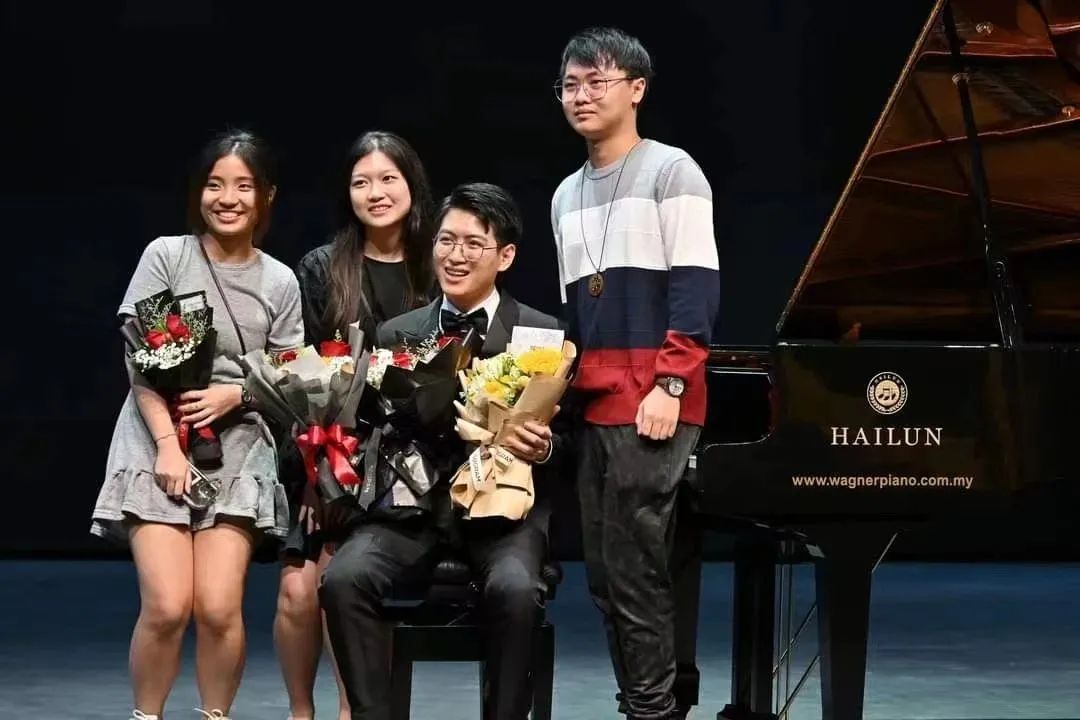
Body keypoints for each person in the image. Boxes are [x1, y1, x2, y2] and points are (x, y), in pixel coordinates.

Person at [320, 182, 563, 720]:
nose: (456, 255)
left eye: (473, 244)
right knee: (343, 579)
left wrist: (545, 447)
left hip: (503, 517)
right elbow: (370, 426)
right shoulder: (398, 333)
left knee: (516, 590)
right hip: (413, 513)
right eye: (446, 240)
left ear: (505, 256)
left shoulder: (542, 334)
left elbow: (568, 441)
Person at [90, 129, 305, 720]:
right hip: (155, 437)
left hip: (238, 450)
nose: (227, 198)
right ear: (198, 192)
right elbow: (139, 358)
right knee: (167, 606)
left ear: (266, 196)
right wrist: (166, 445)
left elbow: (290, 375)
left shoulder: (280, 281)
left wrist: (237, 394)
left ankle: (215, 716)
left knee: (217, 608)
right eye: (215, 185)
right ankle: (146, 715)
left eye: (244, 186)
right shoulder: (168, 255)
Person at [550, 27, 721, 720]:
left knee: (636, 572)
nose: (581, 96)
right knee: (604, 577)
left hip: (654, 399)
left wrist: (671, 384)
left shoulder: (672, 170)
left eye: (597, 81)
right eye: (570, 85)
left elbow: (696, 287)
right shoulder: (565, 195)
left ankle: (651, 710)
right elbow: (577, 314)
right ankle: (651, 705)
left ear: (637, 89)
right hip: (593, 404)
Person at [275, 130, 436, 720]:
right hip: (331, 452)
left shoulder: (438, 265)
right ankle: (301, 712)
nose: (376, 192)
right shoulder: (322, 267)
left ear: (412, 185)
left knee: (344, 581)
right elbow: (302, 372)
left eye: (388, 178)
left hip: (411, 462)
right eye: (361, 182)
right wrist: (318, 473)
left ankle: (355, 711)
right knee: (297, 590)